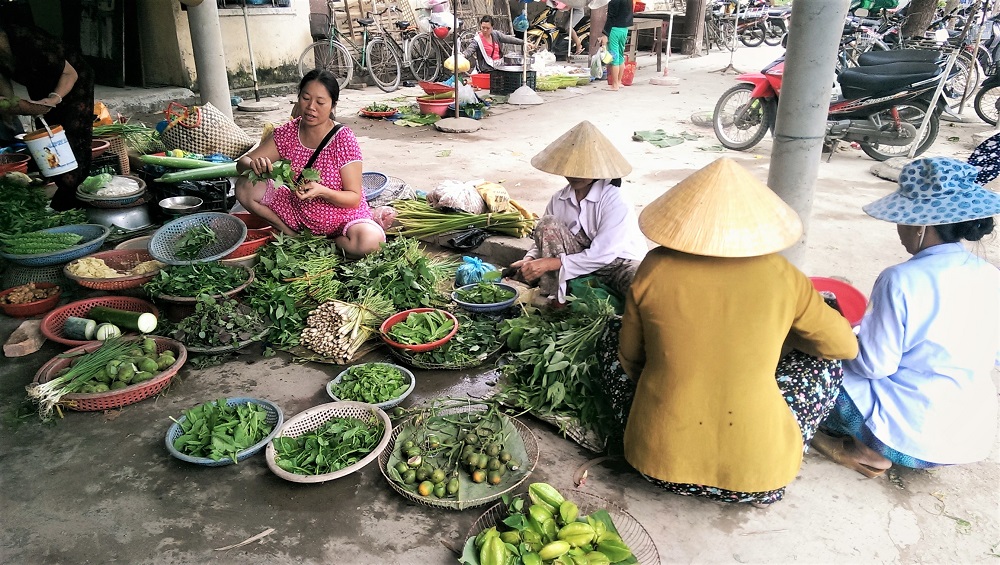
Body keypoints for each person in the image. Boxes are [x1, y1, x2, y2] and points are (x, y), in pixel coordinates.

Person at [614, 158, 859, 506]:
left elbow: (631, 358)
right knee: (826, 364)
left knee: (615, 341)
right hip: (760, 480)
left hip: (656, 464)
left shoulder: (654, 267)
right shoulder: (783, 274)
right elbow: (844, 347)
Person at [812, 157, 1000, 477]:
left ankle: (866, 450)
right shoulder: (991, 276)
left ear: (919, 225)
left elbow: (874, 365)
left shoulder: (900, 279)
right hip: (964, 440)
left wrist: (843, 337)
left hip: (905, 440)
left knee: (815, 360)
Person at [235, 70, 385, 257]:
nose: (311, 107)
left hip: (341, 220)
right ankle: (291, 235)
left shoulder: (343, 139)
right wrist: (253, 165)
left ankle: (333, 243)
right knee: (244, 185)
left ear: (332, 105)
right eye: (305, 98)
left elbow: (353, 198)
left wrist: (322, 191)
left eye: (320, 102)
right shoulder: (288, 133)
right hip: (296, 212)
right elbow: (242, 162)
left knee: (371, 242)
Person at [510, 120, 647, 303]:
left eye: (582, 171)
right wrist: (529, 260)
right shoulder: (559, 199)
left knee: (642, 286)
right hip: (576, 261)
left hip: (617, 263)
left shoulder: (615, 200)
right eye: (570, 169)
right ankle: (556, 296)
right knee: (547, 224)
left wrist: (550, 263)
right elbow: (543, 240)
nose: (574, 175)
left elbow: (603, 253)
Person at [0, 22, 94, 211]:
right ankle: (62, 185)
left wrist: (54, 99)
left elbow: (70, 73)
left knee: (72, 134)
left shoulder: (27, 40)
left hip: (73, 83)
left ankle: (73, 193)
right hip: (41, 86)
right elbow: (4, 85)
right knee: (47, 136)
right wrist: (9, 111)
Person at [596, 0, 632, 90]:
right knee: (620, 56)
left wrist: (605, 34)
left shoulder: (614, 1)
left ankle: (614, 85)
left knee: (614, 57)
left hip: (614, 30)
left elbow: (611, 17)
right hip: (624, 29)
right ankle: (619, 82)